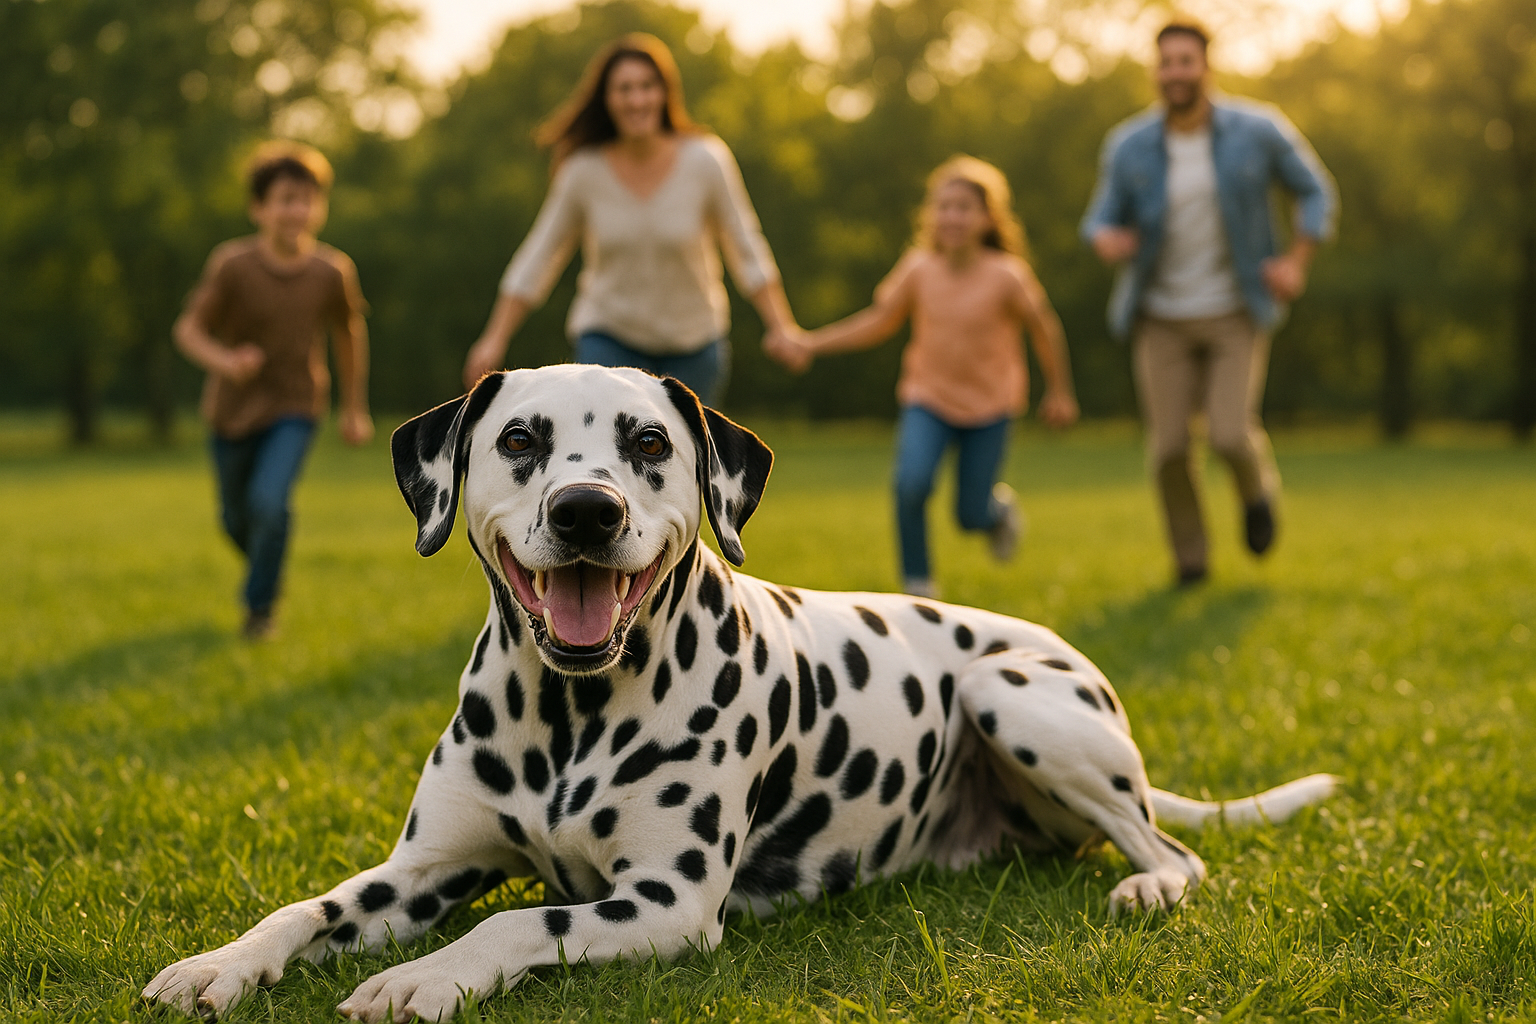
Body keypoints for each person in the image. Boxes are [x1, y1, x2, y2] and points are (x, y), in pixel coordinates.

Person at [1081, 19, 1337, 586]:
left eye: (1185, 61)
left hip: (1235, 310)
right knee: (1169, 448)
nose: (1175, 72)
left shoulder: (1259, 130)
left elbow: (1316, 190)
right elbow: (1099, 217)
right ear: (1156, 71)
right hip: (1160, 315)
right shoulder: (1129, 145)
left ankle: (1256, 494)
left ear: (1206, 68)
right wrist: (1107, 238)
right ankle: (1191, 561)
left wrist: (1295, 260)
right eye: (1166, 63)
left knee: (1227, 432)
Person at [769, 156, 1078, 598]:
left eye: (964, 207)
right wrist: (811, 343)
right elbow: (879, 321)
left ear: (988, 217)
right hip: (928, 399)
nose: (952, 216)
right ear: (931, 215)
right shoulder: (918, 268)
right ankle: (920, 590)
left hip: (991, 406)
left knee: (969, 515)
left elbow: (1044, 329)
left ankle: (996, 513)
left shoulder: (1007, 275)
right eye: (944, 206)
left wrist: (1060, 392)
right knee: (910, 483)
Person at [462, 33, 800, 405]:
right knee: (604, 457)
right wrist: (494, 337)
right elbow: (540, 256)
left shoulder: (706, 160)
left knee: (684, 462)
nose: (637, 99)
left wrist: (781, 326)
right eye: (624, 89)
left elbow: (746, 246)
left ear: (665, 93)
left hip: (694, 347)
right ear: (607, 99)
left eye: (647, 87)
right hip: (609, 339)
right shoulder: (583, 171)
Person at [174, 141, 372, 639]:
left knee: (269, 503)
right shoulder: (232, 265)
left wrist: (353, 408)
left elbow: (348, 337)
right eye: (286, 199)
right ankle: (267, 567)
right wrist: (226, 361)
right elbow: (189, 331)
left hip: (295, 405)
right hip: (231, 410)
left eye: (308, 199)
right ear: (258, 208)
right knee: (234, 519)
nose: (297, 210)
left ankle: (259, 611)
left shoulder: (332, 271)